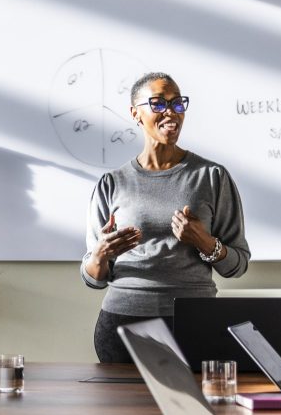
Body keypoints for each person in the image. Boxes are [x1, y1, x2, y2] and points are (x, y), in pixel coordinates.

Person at [81, 71, 251, 363]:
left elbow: (237, 265)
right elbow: (93, 279)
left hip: (194, 323)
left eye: (177, 104)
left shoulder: (212, 177)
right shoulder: (112, 183)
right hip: (123, 322)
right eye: (158, 104)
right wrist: (100, 254)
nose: (170, 112)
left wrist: (205, 242)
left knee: (196, 408)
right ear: (135, 113)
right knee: (125, 410)